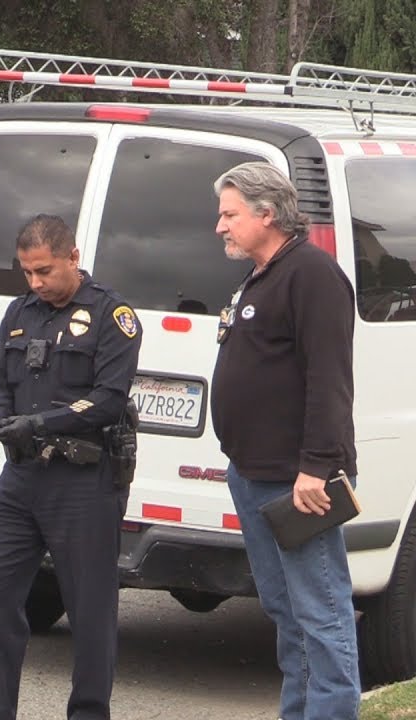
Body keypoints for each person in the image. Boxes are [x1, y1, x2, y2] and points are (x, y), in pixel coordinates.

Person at [0, 214, 142, 720]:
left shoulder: (113, 315)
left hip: (83, 480)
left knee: (89, 609)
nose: (36, 282)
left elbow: (108, 400)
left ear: (72, 258)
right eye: (27, 272)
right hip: (22, 480)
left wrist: (39, 423)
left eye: (44, 271)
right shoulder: (21, 312)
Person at [211, 162, 360, 720]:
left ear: (266, 213)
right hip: (252, 474)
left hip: (299, 481)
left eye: (230, 214)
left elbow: (329, 379)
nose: (220, 226)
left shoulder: (312, 274)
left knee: (320, 614)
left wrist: (316, 468)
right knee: (285, 612)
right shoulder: (262, 274)